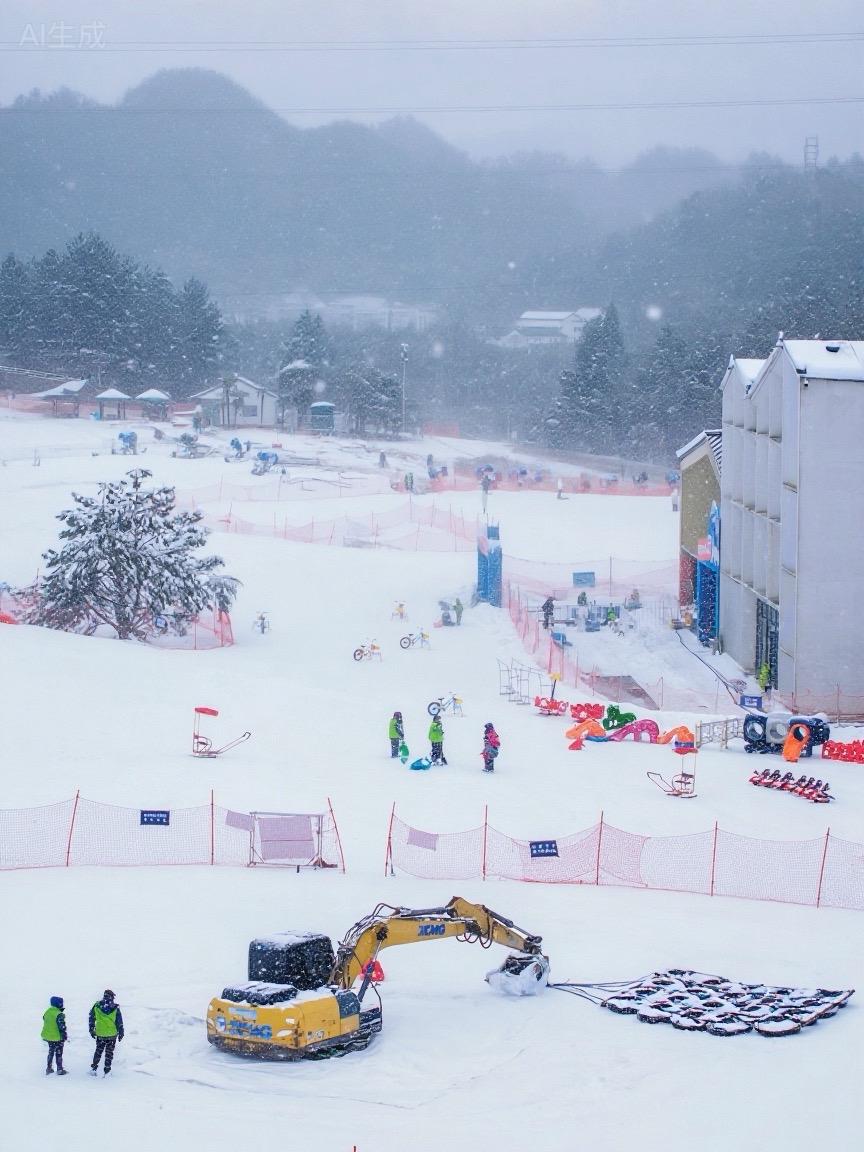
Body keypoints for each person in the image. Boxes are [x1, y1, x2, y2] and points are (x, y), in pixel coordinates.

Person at [89, 989, 124, 1076]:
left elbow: (91, 1017)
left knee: (98, 1051)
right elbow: (119, 1022)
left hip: (100, 1034)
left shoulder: (97, 1005)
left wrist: (91, 1029)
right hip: (112, 1035)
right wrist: (121, 1032)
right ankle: (107, 1071)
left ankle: (94, 1069)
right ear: (111, 997)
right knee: (109, 1053)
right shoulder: (115, 1008)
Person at [42, 995, 68, 1076]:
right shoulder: (59, 1014)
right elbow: (62, 1027)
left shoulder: (47, 1012)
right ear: (58, 1004)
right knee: (59, 1053)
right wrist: (64, 1036)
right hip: (57, 1037)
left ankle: (49, 1068)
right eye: (61, 1003)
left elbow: (45, 1019)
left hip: (48, 1037)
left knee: (51, 1052)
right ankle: (60, 1069)